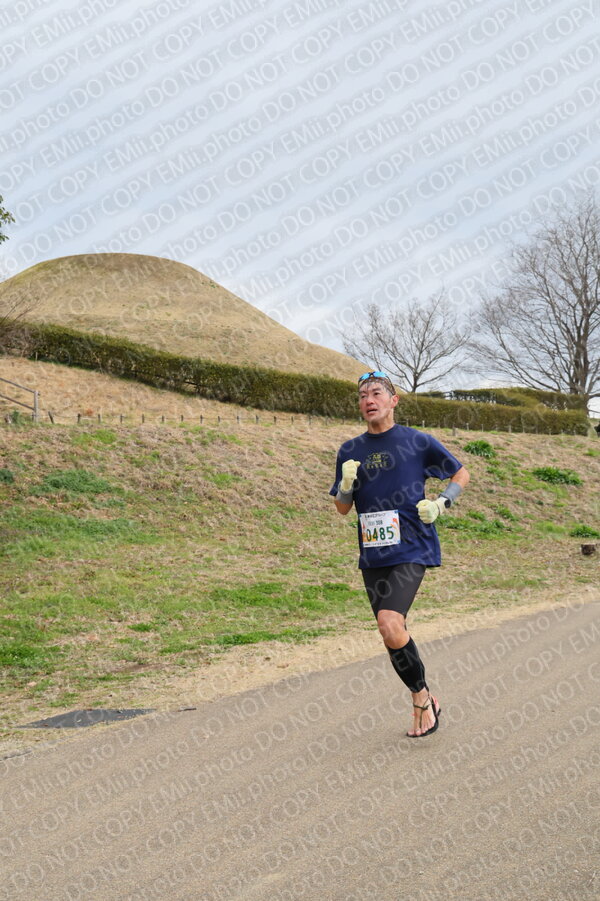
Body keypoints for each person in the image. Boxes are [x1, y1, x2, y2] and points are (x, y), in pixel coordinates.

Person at [330, 371, 470, 737]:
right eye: (362, 395)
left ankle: (420, 700)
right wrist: (345, 485)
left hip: (412, 544)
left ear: (394, 401)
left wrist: (441, 503)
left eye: (376, 393)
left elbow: (460, 474)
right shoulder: (350, 450)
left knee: (390, 622)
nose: (368, 400)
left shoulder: (417, 441)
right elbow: (342, 508)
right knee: (389, 632)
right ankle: (426, 695)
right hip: (373, 551)